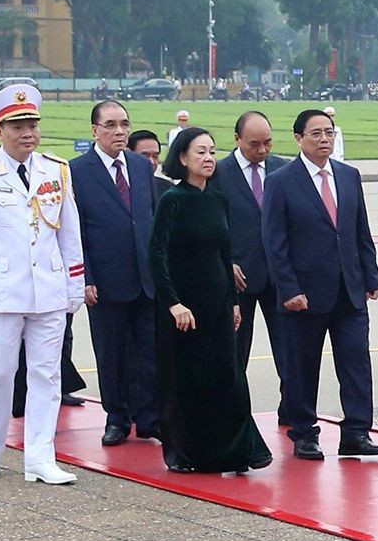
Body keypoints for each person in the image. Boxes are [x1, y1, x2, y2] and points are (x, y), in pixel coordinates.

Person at [0, 84, 84, 485]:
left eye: (32, 125)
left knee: (47, 375)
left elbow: (69, 231)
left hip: (47, 288)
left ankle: (40, 457)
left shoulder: (56, 170)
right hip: (0, 291)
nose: (27, 133)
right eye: (17, 126)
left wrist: (74, 281)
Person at [261, 108, 378, 460]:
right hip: (304, 294)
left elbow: (360, 230)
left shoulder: (348, 176)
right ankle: (304, 432)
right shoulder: (282, 181)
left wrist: (370, 276)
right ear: (298, 138)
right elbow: (275, 242)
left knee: (356, 360)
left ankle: (357, 432)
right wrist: (288, 289)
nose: (324, 139)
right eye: (315, 134)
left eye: (328, 132)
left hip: (349, 289)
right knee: (302, 365)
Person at [152, 127, 271, 472]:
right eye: (199, 152)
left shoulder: (217, 199)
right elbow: (157, 255)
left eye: (211, 152)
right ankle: (186, 453)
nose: (207, 158)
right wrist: (173, 302)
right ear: (183, 158)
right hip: (184, 306)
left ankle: (236, 450)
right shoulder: (172, 200)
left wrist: (233, 301)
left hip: (218, 302)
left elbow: (224, 253)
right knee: (189, 379)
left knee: (228, 376)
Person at [72, 101, 160, 446]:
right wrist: (85, 276)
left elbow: (149, 218)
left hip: (144, 277)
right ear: (95, 130)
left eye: (124, 124)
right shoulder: (77, 170)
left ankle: (150, 418)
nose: (119, 131)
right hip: (105, 280)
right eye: (110, 125)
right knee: (111, 354)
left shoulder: (140, 166)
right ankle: (117, 418)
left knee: (149, 352)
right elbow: (75, 230)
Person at [211, 110, 291, 423]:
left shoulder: (283, 170)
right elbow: (208, 225)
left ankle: (293, 412)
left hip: (279, 278)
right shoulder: (218, 173)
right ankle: (232, 415)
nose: (262, 151)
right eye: (254, 144)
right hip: (236, 281)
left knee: (290, 352)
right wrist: (225, 261)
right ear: (237, 140)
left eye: (267, 143)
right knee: (234, 353)